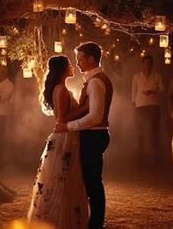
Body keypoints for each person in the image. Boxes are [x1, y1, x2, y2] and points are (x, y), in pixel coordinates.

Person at [55, 42, 113, 229]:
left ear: (91, 59)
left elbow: (95, 116)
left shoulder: (96, 82)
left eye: (80, 59)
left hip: (94, 136)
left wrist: (69, 126)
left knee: (93, 183)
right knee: (90, 181)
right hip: (93, 135)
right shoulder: (94, 79)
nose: (78, 63)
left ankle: (96, 224)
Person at [27, 55, 89, 229]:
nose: (73, 67)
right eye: (69, 64)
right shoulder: (61, 89)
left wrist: (82, 99)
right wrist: (85, 107)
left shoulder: (62, 88)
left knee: (67, 179)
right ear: (62, 69)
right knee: (63, 179)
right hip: (65, 139)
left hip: (69, 136)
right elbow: (62, 118)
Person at [131, 55, 164, 162]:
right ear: (143, 64)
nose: (147, 65)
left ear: (152, 64)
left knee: (154, 131)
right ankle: (140, 156)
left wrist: (153, 92)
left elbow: (162, 90)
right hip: (140, 106)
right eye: (145, 63)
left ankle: (155, 156)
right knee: (140, 131)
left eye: (149, 63)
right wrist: (134, 105)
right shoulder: (136, 77)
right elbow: (133, 92)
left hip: (153, 105)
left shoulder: (157, 76)